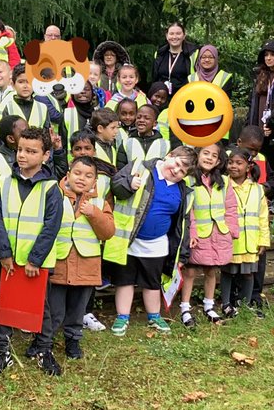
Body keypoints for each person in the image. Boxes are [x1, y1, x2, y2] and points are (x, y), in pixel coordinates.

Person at [0, 127, 62, 374]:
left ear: (45, 155)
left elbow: (51, 226)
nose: (23, 155)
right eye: (20, 149)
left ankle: (44, 349)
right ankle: (3, 350)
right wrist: (3, 253)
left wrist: (35, 260)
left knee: (42, 307)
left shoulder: (51, 188)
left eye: (31, 151)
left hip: (36, 263)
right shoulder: (4, 181)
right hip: (9, 259)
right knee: (6, 304)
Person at [103, 147, 195, 336]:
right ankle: (122, 317)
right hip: (128, 240)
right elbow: (115, 187)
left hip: (157, 244)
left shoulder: (184, 190)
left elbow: (183, 224)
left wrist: (183, 251)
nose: (177, 171)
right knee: (125, 280)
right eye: (177, 164)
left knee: (152, 282)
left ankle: (154, 316)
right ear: (168, 156)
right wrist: (129, 183)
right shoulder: (141, 167)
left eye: (182, 171)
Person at [44, 155, 115, 369]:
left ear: (95, 182)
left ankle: (73, 340)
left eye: (88, 176)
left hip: (86, 266)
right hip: (59, 264)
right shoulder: (54, 196)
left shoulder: (99, 203)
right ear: (68, 175)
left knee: (77, 309)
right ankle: (44, 343)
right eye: (77, 173)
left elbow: (108, 232)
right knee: (53, 310)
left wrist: (94, 214)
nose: (82, 179)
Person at [179, 142, 235, 326]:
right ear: (198, 154)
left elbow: (231, 206)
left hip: (219, 234)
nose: (209, 157)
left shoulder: (224, 181)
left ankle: (209, 306)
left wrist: (232, 228)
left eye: (214, 155)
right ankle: (185, 307)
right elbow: (189, 210)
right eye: (206, 153)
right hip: (198, 235)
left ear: (219, 161)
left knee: (212, 270)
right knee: (190, 271)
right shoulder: (188, 180)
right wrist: (192, 233)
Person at [220, 147, 269, 317]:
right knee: (228, 272)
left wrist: (263, 240)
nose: (233, 166)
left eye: (238, 163)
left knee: (249, 273)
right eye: (230, 162)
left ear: (248, 166)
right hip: (231, 240)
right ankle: (225, 304)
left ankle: (245, 305)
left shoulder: (257, 189)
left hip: (251, 241)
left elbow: (263, 217)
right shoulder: (222, 185)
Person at [151, 22, 197, 94]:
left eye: (178, 33)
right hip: (162, 98)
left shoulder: (192, 54)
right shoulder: (159, 54)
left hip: (184, 96)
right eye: (171, 34)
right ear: (167, 36)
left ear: (184, 36)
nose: (174, 37)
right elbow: (155, 78)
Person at [246, 39, 274, 126]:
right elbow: (252, 105)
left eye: (272, 55)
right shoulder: (259, 76)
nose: (268, 58)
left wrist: (271, 126)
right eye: (266, 55)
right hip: (259, 128)